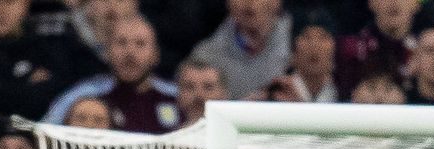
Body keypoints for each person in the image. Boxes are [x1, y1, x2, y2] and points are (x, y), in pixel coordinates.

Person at [43, 14, 180, 133]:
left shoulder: (178, 97)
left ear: (156, 55)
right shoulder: (81, 96)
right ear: (106, 52)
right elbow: (44, 134)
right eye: (121, 43)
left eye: (140, 44)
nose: (130, 52)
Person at [189, 0, 292, 99]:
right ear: (229, 3)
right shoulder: (206, 57)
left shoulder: (300, 47)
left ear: (276, 2)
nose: (249, 2)